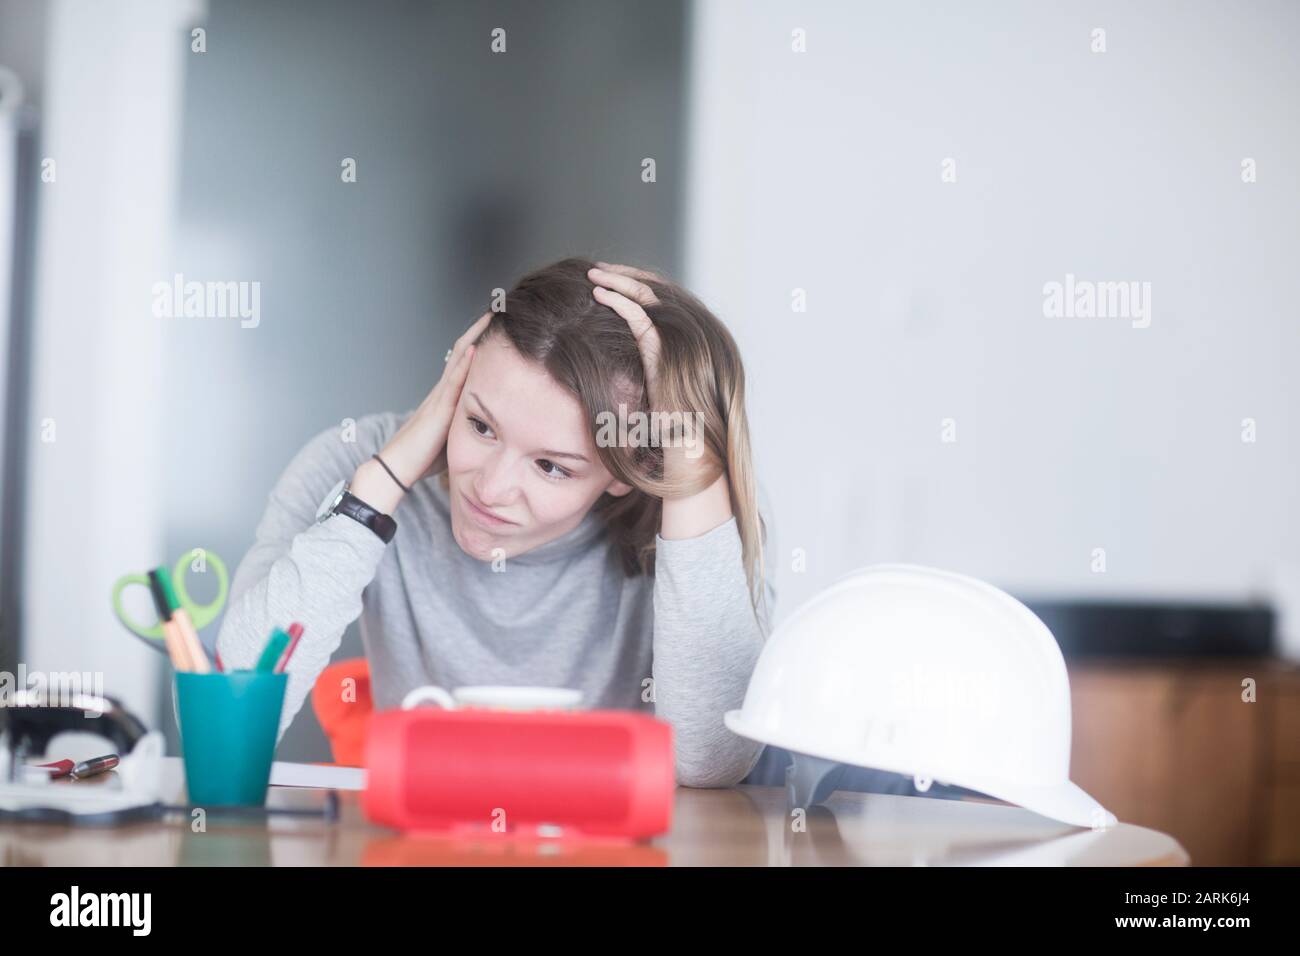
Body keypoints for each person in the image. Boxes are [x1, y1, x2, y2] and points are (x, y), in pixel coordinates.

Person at [215, 256, 773, 787]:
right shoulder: (353, 464)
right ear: (458, 379)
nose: (489, 488)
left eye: (552, 466)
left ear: (631, 468)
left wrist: (691, 471)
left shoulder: (691, 506)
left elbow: (710, 762)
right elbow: (225, 722)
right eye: (481, 425)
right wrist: (375, 492)